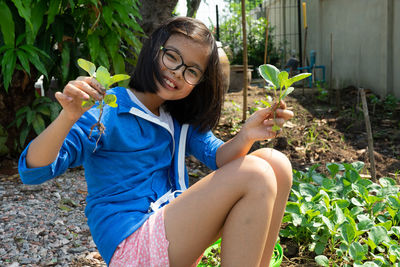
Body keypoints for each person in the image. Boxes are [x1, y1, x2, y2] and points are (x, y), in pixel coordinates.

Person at [18, 17, 294, 267]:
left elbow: (219, 157)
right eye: (172, 56)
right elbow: (34, 170)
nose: (177, 72)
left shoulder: (177, 116)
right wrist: (68, 117)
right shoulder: (110, 111)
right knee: (256, 173)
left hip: (171, 233)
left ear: (199, 83)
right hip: (133, 247)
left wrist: (247, 135)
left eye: (192, 71)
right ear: (154, 49)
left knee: (275, 163)